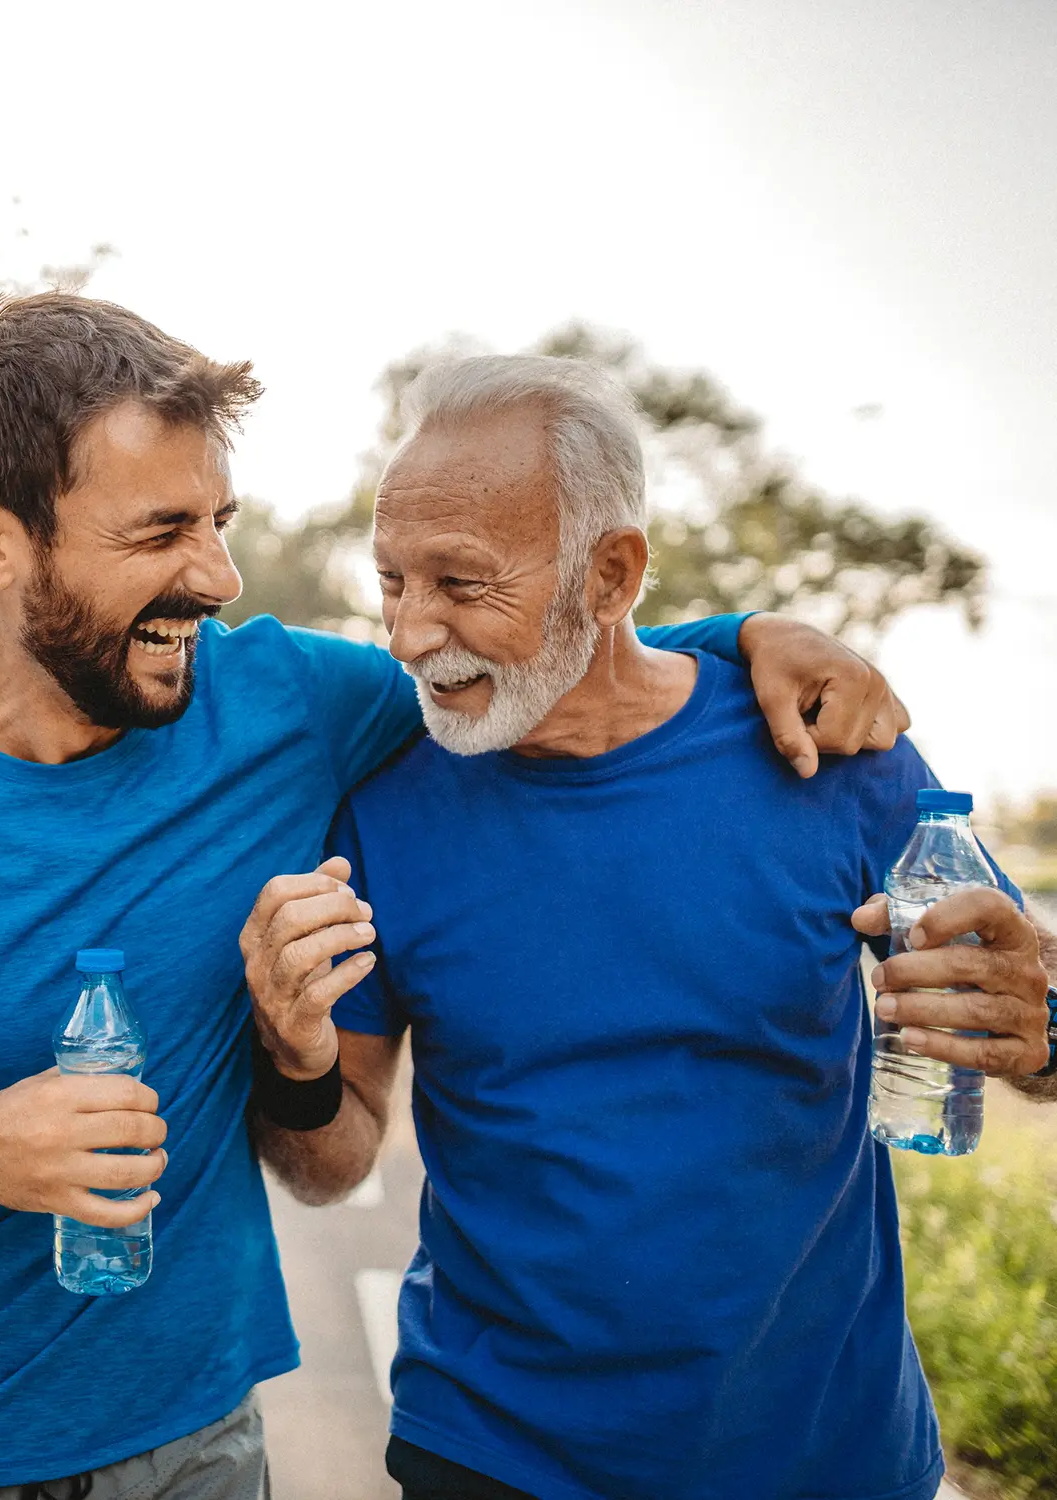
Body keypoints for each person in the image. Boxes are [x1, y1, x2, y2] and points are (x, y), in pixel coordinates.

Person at [0, 295, 910, 1500]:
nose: (217, 576)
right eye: (159, 533)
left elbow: (542, 657)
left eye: (219, 519)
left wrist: (752, 638)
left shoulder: (286, 708)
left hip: (191, 1441)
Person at [240, 354, 1057, 1500]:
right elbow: (331, 1167)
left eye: (462, 584)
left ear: (610, 574)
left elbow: (1026, 1022)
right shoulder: (384, 809)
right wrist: (296, 1059)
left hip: (829, 1456)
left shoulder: (829, 757)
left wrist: (1041, 1028)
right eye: (392, 582)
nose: (413, 635)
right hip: (492, 1455)